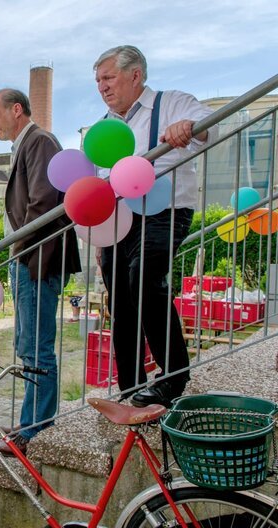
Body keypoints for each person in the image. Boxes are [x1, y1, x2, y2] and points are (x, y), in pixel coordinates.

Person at [93, 45, 215, 407]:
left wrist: (189, 128)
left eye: (108, 77)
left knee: (144, 277)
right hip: (119, 219)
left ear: (135, 75)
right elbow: (101, 180)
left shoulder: (171, 103)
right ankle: (131, 385)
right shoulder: (105, 126)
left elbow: (211, 123)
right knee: (120, 297)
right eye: (98, 80)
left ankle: (173, 376)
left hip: (165, 209)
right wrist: (100, 236)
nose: (102, 86)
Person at [0, 88, 81, 455]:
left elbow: (42, 201)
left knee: (37, 347)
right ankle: (31, 421)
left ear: (16, 110)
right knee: (27, 345)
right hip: (27, 259)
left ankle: (36, 429)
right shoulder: (26, 145)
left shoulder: (39, 141)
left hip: (36, 260)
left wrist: (18, 248)